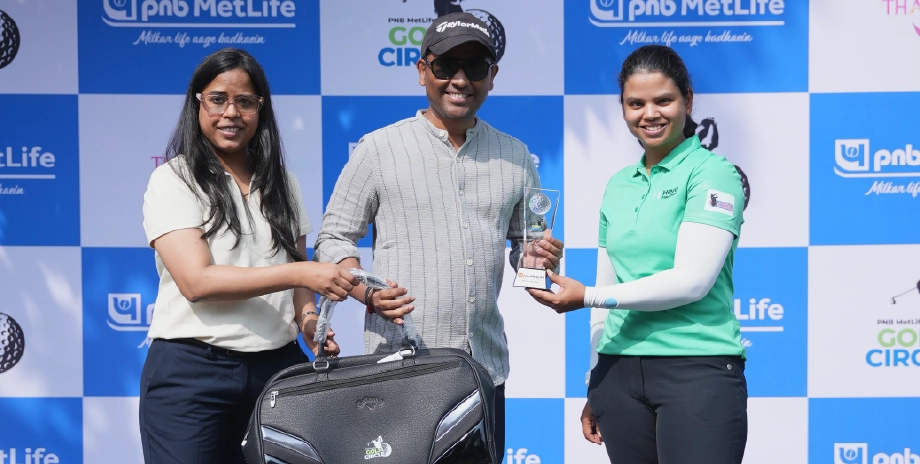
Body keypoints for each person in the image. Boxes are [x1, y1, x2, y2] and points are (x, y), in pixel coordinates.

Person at [314, 12, 563, 460]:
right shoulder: (378, 148)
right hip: (397, 371)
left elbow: (525, 247)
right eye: (446, 66)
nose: (460, 80)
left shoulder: (515, 155)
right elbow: (334, 238)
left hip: (483, 372)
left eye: (475, 67)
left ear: (493, 76)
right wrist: (366, 291)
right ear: (422, 71)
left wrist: (536, 261)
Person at [529, 44, 748, 464]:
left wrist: (587, 295)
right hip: (619, 375)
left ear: (688, 100)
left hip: (696, 368)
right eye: (636, 103)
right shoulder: (619, 184)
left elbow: (692, 281)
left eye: (663, 100)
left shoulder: (713, 173)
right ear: (623, 108)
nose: (650, 114)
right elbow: (607, 284)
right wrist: (595, 379)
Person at [139, 47, 358, 464]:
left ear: (261, 108)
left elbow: (297, 277)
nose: (231, 113)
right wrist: (302, 273)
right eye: (217, 99)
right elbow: (196, 282)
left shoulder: (283, 181)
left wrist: (309, 323)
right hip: (192, 374)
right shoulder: (173, 179)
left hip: (277, 371)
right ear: (197, 104)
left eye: (245, 101)